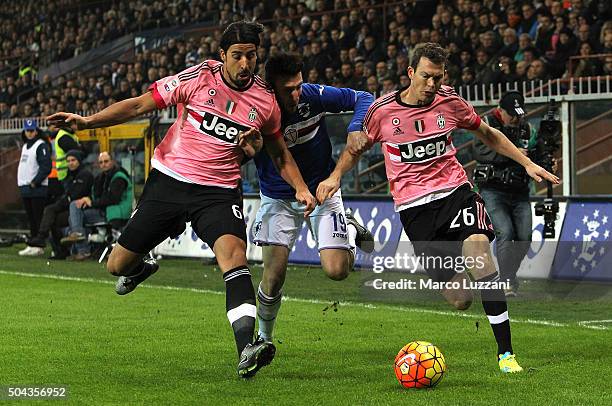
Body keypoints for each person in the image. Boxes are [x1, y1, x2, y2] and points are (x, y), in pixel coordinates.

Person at [47, 21, 316, 378]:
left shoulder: (265, 102)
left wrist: (300, 188)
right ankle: (142, 266)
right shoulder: (199, 77)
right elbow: (141, 104)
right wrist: (88, 122)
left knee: (234, 258)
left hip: (218, 192)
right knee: (117, 266)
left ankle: (246, 348)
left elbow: (279, 154)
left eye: (251, 56)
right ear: (222, 56)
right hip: (169, 182)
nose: (245, 63)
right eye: (237, 56)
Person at [317, 43, 559, 373]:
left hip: (455, 192)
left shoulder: (450, 102)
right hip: (414, 209)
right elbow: (356, 149)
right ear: (411, 73)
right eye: (427, 77)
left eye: (439, 77)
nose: (432, 85)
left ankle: (506, 354)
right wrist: (334, 177)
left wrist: (526, 162)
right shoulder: (382, 111)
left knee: (479, 252)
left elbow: (488, 133)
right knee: (460, 300)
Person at [252, 52, 375, 344]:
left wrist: (356, 126)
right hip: (278, 197)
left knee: (336, 271)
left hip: (322, 190)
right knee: (274, 275)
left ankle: (347, 227)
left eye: (298, 86)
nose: (296, 94)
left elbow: (364, 97)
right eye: (288, 89)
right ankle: (263, 339)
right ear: (271, 88)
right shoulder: (257, 110)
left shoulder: (314, 96)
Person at [473, 91, 536, 296]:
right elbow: (479, 152)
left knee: (525, 237)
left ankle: (508, 276)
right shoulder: (486, 123)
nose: (516, 119)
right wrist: (514, 153)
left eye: (519, 114)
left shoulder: (527, 128)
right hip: (493, 189)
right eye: (512, 114)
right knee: (506, 233)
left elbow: (535, 155)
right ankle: (507, 281)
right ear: (500, 110)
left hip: (520, 190)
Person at [60, 151, 133, 260]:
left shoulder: (119, 177)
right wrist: (87, 200)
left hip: (114, 212)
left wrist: (92, 202)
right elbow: (97, 196)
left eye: (106, 161)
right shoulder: (100, 177)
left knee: (75, 215)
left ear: (112, 161)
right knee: (75, 208)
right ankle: (79, 238)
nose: (103, 164)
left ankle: (82, 247)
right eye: (101, 162)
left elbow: (113, 199)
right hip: (103, 210)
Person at [26, 150, 94, 259]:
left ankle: (42, 237)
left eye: (73, 160)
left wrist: (59, 204)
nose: (70, 163)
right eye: (68, 161)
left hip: (81, 209)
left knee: (51, 210)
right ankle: (59, 250)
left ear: (79, 161)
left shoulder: (84, 175)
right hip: (72, 208)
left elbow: (75, 195)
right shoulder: (71, 175)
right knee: (53, 217)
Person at [17, 119, 52, 257]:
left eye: (32, 131)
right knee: (31, 218)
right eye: (28, 131)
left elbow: (46, 167)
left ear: (36, 131)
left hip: (36, 189)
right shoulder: (26, 146)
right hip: (26, 188)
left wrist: (35, 182)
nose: (30, 133)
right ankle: (33, 243)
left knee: (37, 218)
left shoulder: (40, 145)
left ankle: (38, 245)